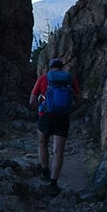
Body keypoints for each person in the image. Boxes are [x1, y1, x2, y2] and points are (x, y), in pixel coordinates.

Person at [30, 57, 81, 193]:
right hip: (63, 118)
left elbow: (32, 100)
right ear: (62, 67)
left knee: (42, 143)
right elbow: (78, 98)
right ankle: (53, 183)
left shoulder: (43, 78)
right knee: (58, 151)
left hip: (45, 116)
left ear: (50, 67)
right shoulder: (69, 79)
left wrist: (40, 108)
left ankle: (45, 171)